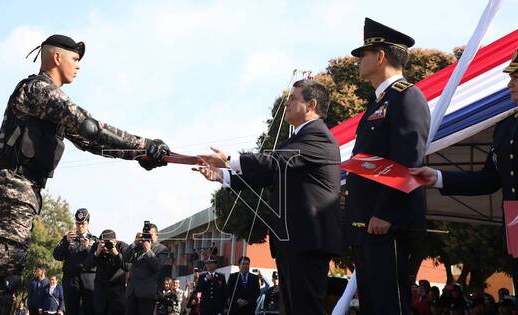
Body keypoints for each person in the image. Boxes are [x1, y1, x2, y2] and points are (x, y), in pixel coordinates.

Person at [0, 33, 170, 314]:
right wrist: (143, 144)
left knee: (7, 276)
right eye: (74, 59)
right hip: (12, 186)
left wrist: (139, 155)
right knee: (5, 278)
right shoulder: (39, 91)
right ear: (57, 57)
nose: (78, 67)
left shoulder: (47, 103)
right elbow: (89, 127)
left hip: (21, 188)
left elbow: (90, 142)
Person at [195, 79, 342, 314]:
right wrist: (221, 175)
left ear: (311, 104)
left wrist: (229, 158)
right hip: (291, 242)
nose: (287, 103)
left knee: (306, 309)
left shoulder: (319, 137)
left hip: (307, 242)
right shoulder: (295, 140)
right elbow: (268, 175)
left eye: (293, 98)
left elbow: (274, 161)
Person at [410, 49, 518, 299]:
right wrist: (437, 177)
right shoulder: (505, 127)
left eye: (516, 77)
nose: (509, 83)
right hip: (514, 224)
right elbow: (489, 180)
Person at [344, 18, 430, 314]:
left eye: (363, 54)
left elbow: (408, 160)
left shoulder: (407, 96)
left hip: (387, 224)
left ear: (379, 56)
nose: (358, 60)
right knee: (373, 305)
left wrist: (385, 212)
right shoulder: (377, 102)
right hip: (367, 224)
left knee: (390, 305)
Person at [53, 208, 98, 315]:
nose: (80, 226)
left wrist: (88, 248)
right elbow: (57, 256)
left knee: (89, 309)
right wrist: (66, 243)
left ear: (88, 223)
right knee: (71, 309)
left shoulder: (95, 240)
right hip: (71, 278)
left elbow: (97, 260)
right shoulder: (68, 238)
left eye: (83, 223)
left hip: (88, 278)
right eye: (78, 223)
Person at [124, 222, 169, 315]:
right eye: (146, 235)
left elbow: (157, 267)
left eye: (150, 235)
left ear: (157, 235)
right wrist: (134, 243)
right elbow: (125, 258)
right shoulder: (138, 247)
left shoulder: (162, 249)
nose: (148, 238)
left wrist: (148, 251)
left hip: (146, 294)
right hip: (132, 292)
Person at [86, 229, 130, 315]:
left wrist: (117, 254)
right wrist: (97, 253)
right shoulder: (97, 246)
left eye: (108, 243)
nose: (105, 247)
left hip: (117, 292)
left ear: (115, 241)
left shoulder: (123, 247)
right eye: (103, 243)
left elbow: (128, 267)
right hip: (101, 291)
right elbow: (87, 265)